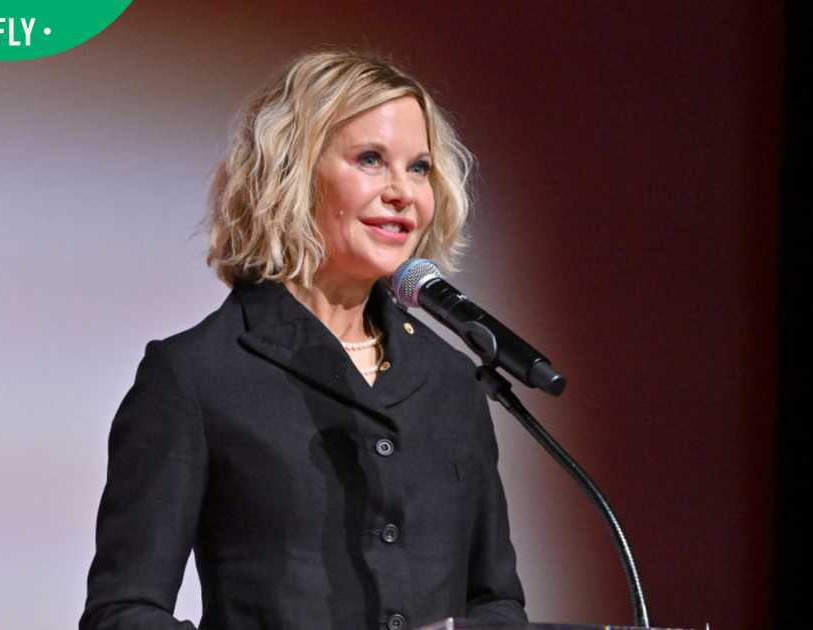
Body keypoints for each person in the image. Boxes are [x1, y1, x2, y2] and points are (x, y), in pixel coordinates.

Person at [78, 51, 527, 630]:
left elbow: (496, 602)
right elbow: (123, 614)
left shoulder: (450, 379)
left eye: (419, 168)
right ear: (292, 172)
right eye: (371, 160)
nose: (402, 192)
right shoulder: (195, 376)